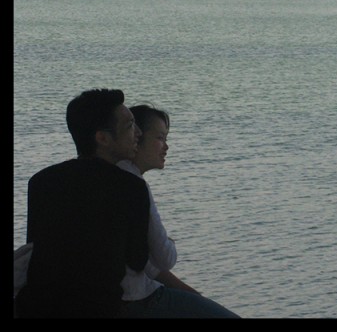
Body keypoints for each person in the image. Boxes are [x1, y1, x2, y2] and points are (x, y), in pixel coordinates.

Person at [15, 89, 151, 318]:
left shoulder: (41, 181)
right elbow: (137, 261)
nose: (138, 133)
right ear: (103, 138)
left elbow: (36, 248)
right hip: (99, 309)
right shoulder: (131, 187)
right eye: (129, 126)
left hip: (36, 308)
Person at [117, 103, 239, 318]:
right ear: (136, 138)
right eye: (160, 138)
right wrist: (169, 242)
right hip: (136, 300)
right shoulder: (134, 185)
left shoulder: (112, 176)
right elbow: (165, 258)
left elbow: (148, 265)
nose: (166, 147)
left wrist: (194, 297)